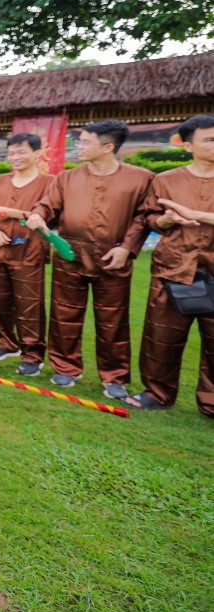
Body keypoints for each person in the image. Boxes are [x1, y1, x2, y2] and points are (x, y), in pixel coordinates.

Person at [27, 120, 153, 398]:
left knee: (113, 320)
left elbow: (144, 216)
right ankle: (65, 367)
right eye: (79, 141)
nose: (79, 147)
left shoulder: (140, 179)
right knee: (64, 315)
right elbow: (48, 205)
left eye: (85, 142)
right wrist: (38, 214)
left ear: (108, 147)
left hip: (114, 258)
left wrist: (126, 248)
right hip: (70, 256)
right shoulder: (66, 178)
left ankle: (114, 376)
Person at [126, 115, 214, 414]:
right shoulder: (165, 180)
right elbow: (149, 217)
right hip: (174, 267)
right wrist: (165, 220)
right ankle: (157, 392)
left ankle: (211, 400)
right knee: (161, 336)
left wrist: (196, 214)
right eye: (210, 139)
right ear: (188, 145)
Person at [0, 133, 55, 373]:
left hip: (29, 251)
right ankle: (5, 342)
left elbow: (47, 215)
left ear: (36, 153)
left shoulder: (49, 183)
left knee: (29, 303)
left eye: (21, 152)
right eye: (11, 153)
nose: (15, 157)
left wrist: (10, 212)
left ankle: (32, 353)